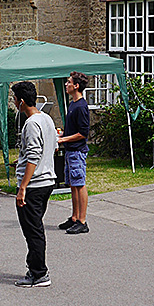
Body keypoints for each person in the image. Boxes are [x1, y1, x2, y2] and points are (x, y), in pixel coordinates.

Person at [11, 80, 58, 287]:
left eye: (14, 99)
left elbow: (33, 156)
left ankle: (39, 273)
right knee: (35, 227)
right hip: (46, 180)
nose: (14, 103)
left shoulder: (31, 124)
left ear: (21, 101)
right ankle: (35, 269)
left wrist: (22, 187)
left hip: (34, 185)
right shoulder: (46, 118)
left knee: (33, 230)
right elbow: (52, 147)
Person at [57, 71, 91, 235]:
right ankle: (75, 217)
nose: (66, 84)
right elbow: (74, 130)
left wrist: (63, 140)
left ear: (76, 86)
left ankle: (82, 222)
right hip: (70, 151)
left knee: (79, 184)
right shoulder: (72, 104)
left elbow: (83, 133)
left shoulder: (81, 106)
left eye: (69, 82)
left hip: (77, 151)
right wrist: (62, 135)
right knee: (72, 185)